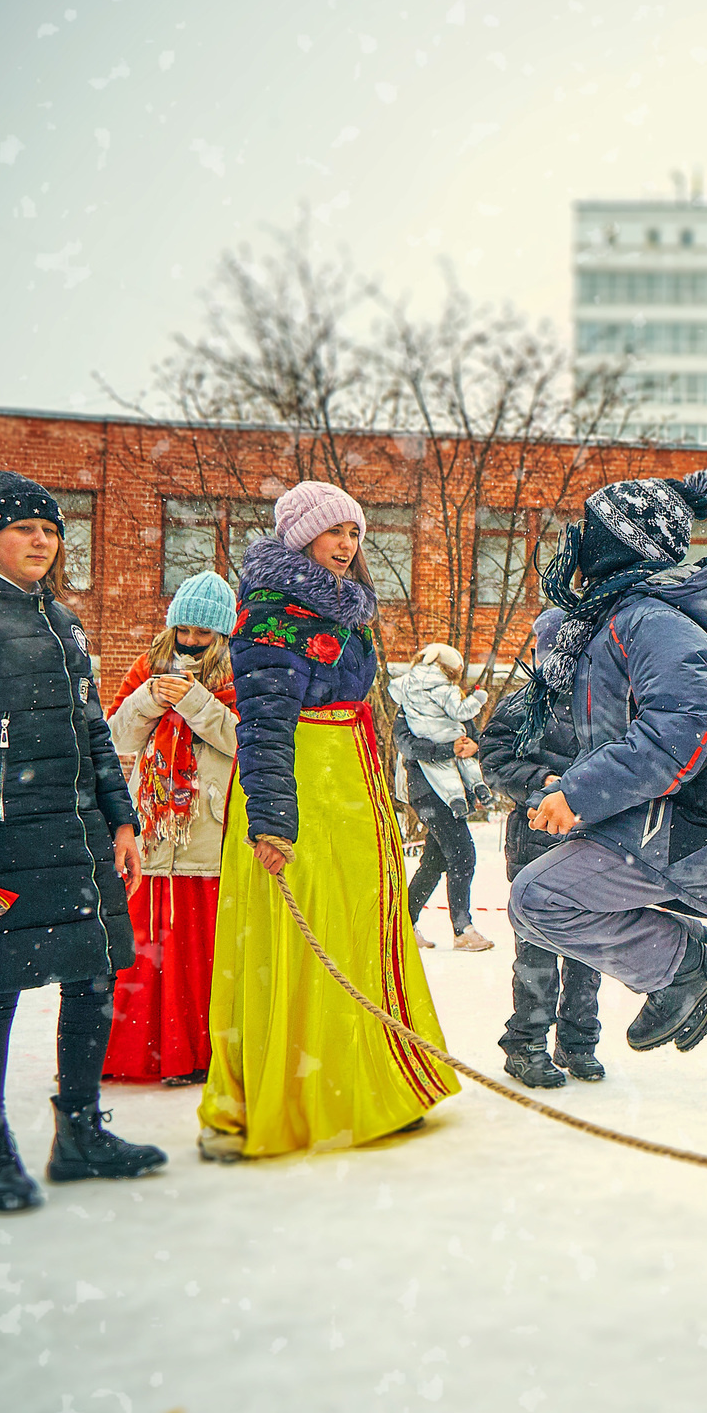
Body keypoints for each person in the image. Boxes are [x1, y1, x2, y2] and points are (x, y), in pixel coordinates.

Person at [0, 470, 165, 1212]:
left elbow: (93, 732)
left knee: (93, 975)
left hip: (78, 833)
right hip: (0, 837)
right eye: (25, 528)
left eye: (50, 530)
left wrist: (121, 820)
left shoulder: (61, 621)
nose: (41, 541)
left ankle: (81, 1132)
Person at [200, 481, 458, 1160]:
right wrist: (273, 821)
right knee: (303, 937)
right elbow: (264, 728)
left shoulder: (339, 611)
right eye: (334, 532)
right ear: (300, 536)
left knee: (355, 933)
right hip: (301, 794)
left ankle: (364, 1083)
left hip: (348, 788)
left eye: (355, 534)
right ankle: (293, 1095)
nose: (347, 546)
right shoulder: (271, 617)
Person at [507, 473, 707, 1056]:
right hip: (655, 818)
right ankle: (693, 955)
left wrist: (578, 794)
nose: (578, 542)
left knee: (539, 900)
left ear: (617, 543)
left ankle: (688, 964)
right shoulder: (621, 618)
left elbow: (680, 730)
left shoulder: (652, 621)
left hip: (681, 824)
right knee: (536, 902)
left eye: (590, 530)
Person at [102, 570, 240, 1086]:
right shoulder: (148, 666)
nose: (190, 640)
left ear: (223, 633)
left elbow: (244, 741)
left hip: (209, 830)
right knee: (142, 952)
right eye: (183, 628)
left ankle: (196, 1055)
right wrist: (150, 700)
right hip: (154, 830)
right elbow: (116, 735)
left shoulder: (241, 674)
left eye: (203, 632)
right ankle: (138, 1053)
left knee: (201, 954)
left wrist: (194, 702)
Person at [479, 611, 606, 1089]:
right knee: (536, 949)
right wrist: (542, 781)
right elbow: (495, 760)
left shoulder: (609, 703)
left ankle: (578, 1042)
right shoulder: (523, 705)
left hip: (595, 840)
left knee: (589, 949)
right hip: (536, 839)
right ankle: (526, 1043)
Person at [393, 644, 494, 954]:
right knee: (463, 853)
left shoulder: (449, 700)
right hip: (424, 789)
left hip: (451, 792)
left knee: (435, 861)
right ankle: (462, 929)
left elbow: (472, 733)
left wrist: (472, 747)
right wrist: (447, 750)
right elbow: (408, 746)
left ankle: (402, 927)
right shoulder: (408, 704)